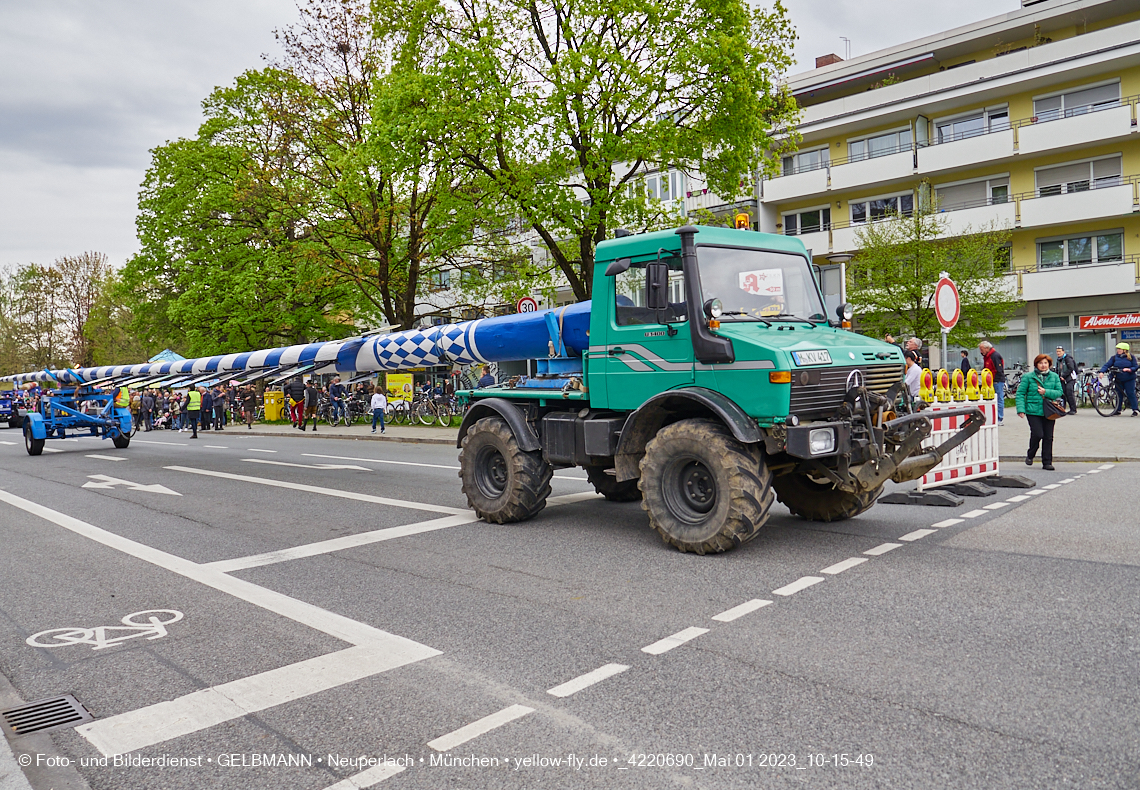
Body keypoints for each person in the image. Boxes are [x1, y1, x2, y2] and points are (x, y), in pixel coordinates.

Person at [1015, 354, 1063, 471]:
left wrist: (1046, 392)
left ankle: (1047, 462)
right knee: (1038, 434)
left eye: (1045, 363)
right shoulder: (1028, 377)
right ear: (1036, 364)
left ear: (1049, 364)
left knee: (1048, 437)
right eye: (1040, 363)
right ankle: (1031, 454)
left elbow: (1059, 392)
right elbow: (1020, 393)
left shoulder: (1054, 376)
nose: (1043, 365)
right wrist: (1021, 409)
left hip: (1049, 410)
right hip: (1033, 410)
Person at [1101, 342, 1139, 417]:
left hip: (1129, 379)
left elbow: (1135, 366)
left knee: (1130, 393)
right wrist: (1102, 372)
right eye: (1117, 349)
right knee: (1118, 394)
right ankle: (1118, 410)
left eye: (1120, 349)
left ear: (1124, 350)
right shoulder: (1114, 358)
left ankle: (1135, 410)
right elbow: (1107, 365)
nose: (1118, 350)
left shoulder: (1131, 357)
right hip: (1118, 379)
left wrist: (1129, 369)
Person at [979, 341, 1007, 424]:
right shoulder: (987, 356)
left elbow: (998, 370)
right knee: (992, 399)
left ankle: (999, 418)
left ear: (987, 348)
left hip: (997, 381)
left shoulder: (995, 356)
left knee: (999, 399)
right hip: (990, 382)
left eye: (982, 349)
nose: (981, 351)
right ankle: (993, 417)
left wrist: (992, 379)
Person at [1054, 346, 1078, 415]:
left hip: (1070, 378)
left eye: (1059, 351)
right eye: (1057, 351)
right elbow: (1058, 369)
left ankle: (1073, 409)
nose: (1058, 353)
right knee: (1063, 393)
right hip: (1062, 379)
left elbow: (1071, 368)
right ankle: (1062, 409)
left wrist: (1063, 376)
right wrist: (1058, 376)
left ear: (1063, 352)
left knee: (1069, 392)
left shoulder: (1068, 358)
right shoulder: (1058, 360)